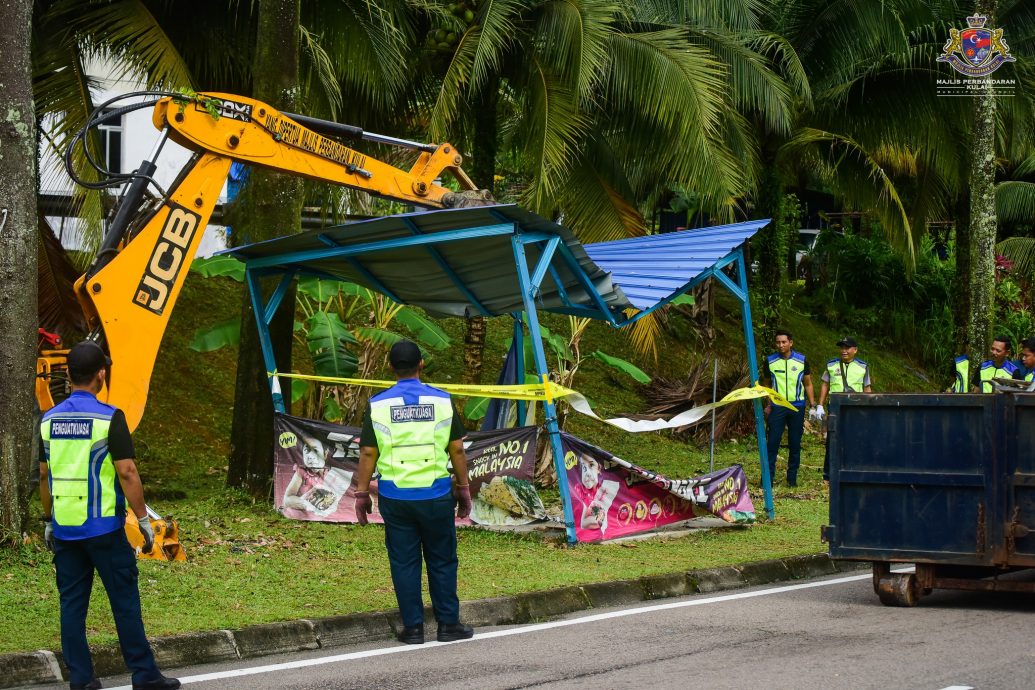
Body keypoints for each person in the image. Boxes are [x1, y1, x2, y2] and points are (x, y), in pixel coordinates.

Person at [39, 341, 180, 690]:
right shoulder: (109, 418)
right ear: (101, 374)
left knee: (72, 606)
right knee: (124, 601)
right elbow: (128, 472)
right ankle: (145, 676)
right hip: (104, 529)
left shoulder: (49, 420)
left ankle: (82, 680)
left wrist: (47, 520)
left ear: (69, 375)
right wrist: (144, 519)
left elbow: (44, 475)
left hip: (66, 529)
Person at [353, 340, 474, 645]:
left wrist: (361, 494)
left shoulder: (378, 405)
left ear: (391, 368)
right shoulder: (442, 401)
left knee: (404, 562)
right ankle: (448, 625)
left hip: (396, 498)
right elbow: (457, 449)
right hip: (436, 495)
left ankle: (414, 629)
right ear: (422, 364)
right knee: (442, 560)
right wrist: (463, 489)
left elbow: (368, 453)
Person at [761, 330, 816, 487]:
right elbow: (767, 383)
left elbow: (808, 383)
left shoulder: (802, 360)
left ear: (790, 343)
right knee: (772, 443)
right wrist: (769, 402)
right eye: (778, 342)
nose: (781, 345)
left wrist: (812, 405)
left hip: (796, 406)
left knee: (794, 443)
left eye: (784, 342)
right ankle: (767, 480)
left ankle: (791, 480)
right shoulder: (770, 361)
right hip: (777, 406)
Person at [818, 337, 872, 482]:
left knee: (855, 438)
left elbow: (867, 388)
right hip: (835, 406)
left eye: (847, 348)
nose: (844, 351)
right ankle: (828, 475)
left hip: (856, 406)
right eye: (842, 348)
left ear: (855, 350)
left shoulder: (863, 366)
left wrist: (869, 408)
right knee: (832, 439)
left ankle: (854, 468)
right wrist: (819, 405)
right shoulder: (831, 365)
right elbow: (825, 385)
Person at [281, 434, 353, 517]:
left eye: (315, 451)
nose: (310, 456)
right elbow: (287, 500)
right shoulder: (301, 472)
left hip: (326, 515)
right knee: (291, 512)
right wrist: (309, 505)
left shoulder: (333, 475)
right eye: (307, 451)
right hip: (304, 511)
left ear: (325, 454)